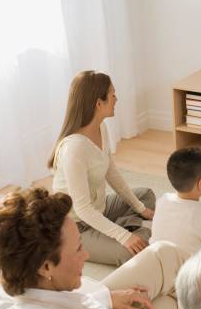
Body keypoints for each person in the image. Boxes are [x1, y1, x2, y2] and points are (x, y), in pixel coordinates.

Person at [0, 188, 186, 309]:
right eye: (78, 248)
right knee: (165, 302)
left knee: (163, 254)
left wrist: (104, 300)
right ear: (45, 267)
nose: (87, 255)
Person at [49, 71, 155, 266]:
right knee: (131, 253)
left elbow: (111, 173)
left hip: (100, 210)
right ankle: (126, 230)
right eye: (112, 94)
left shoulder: (101, 128)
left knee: (146, 196)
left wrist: (140, 208)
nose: (116, 99)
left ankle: (123, 228)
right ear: (99, 103)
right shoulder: (75, 149)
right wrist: (124, 237)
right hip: (77, 226)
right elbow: (82, 209)